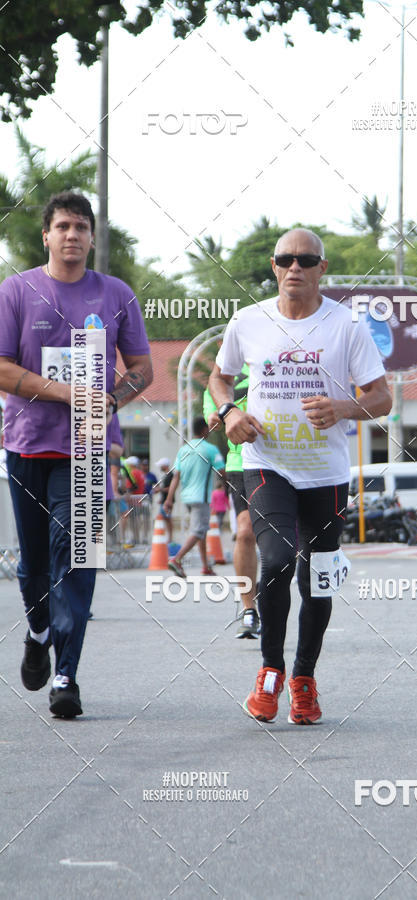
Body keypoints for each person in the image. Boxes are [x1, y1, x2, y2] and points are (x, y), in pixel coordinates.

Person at [208, 228, 391, 724]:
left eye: (306, 260)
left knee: (319, 580)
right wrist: (228, 413)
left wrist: (342, 407)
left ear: (321, 269)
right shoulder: (249, 321)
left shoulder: (346, 326)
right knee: (277, 559)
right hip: (268, 466)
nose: (295, 267)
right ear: (273, 266)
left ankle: (304, 679)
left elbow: (382, 397)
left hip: (326, 474)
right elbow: (218, 375)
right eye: (286, 259)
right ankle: (270, 671)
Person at [0, 191, 152, 717]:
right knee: (34, 563)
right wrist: (68, 392)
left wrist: (113, 396)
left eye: (81, 227)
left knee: (76, 558)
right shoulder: (16, 292)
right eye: (62, 225)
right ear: (46, 235)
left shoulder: (115, 294)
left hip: (86, 449)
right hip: (26, 444)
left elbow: (141, 370)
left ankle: (67, 673)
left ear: (92, 237)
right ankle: (38, 630)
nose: (72, 235)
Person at [204, 366, 260, 639]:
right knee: (245, 530)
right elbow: (212, 411)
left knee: (286, 547)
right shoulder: (226, 375)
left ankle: (272, 593)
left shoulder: (283, 357)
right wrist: (216, 415)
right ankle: (249, 609)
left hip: (289, 463)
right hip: (242, 464)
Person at [163, 416, 225, 578]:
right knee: (199, 530)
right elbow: (222, 471)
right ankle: (177, 559)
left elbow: (176, 476)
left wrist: (169, 499)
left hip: (187, 497)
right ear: (204, 430)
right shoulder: (211, 449)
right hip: (201, 496)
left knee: (201, 531)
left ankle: (206, 566)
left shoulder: (184, 449)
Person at [152, 457, 174, 544]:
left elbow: (170, 488)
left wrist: (160, 490)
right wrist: (161, 498)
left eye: (161, 466)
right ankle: (167, 536)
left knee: (168, 519)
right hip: (164, 500)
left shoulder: (170, 475)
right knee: (165, 518)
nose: (160, 467)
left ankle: (170, 538)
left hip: (168, 501)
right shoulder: (166, 475)